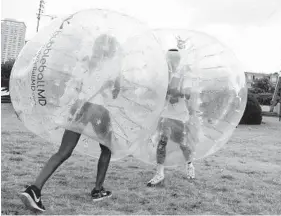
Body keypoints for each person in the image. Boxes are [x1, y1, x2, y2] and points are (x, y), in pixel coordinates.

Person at [19, 33, 123, 212]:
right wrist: (116, 83)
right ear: (112, 49)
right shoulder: (114, 66)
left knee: (63, 152)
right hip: (99, 109)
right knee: (107, 148)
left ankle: (34, 188)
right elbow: (114, 94)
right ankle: (98, 190)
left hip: (79, 107)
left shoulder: (85, 61)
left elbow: (75, 86)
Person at [146, 49, 198, 187]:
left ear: (177, 60)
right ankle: (159, 173)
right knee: (162, 141)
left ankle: (189, 165)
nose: (169, 62)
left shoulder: (185, 73)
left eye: (172, 59)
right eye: (167, 59)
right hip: (166, 114)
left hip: (180, 115)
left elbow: (188, 94)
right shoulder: (164, 75)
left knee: (182, 144)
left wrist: (177, 92)